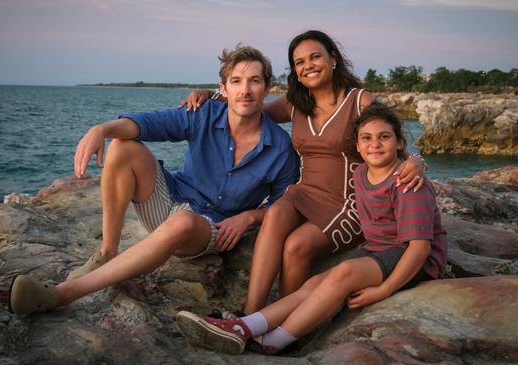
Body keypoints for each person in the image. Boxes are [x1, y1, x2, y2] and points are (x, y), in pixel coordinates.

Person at [7, 45, 299, 314]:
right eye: (236, 81)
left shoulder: (280, 149)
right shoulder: (204, 113)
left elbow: (283, 208)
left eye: (254, 81)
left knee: (183, 222)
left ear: (268, 89)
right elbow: (149, 123)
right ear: (223, 88)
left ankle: (61, 294)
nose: (245, 90)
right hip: (169, 200)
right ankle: (107, 252)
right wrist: (101, 129)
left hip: (209, 228)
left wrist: (248, 217)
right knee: (122, 144)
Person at [181, 30, 426, 314]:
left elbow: (387, 137)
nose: (307, 65)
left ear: (332, 59)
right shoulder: (296, 104)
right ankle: (250, 316)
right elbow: (248, 108)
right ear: (295, 71)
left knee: (296, 246)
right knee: (274, 213)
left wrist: (417, 161)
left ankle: (285, 324)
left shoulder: (359, 101)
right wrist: (211, 96)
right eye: (299, 62)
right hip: (303, 193)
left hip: (348, 203)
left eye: (315, 57)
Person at [175, 102, 447, 355]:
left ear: (400, 142)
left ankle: (272, 343)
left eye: (384, 137)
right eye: (367, 138)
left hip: (412, 257)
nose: (375, 144)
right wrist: (211, 98)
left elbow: (420, 247)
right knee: (314, 284)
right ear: (358, 145)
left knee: (343, 273)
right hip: (378, 251)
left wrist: (384, 290)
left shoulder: (408, 184)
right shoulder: (361, 174)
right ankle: (246, 326)